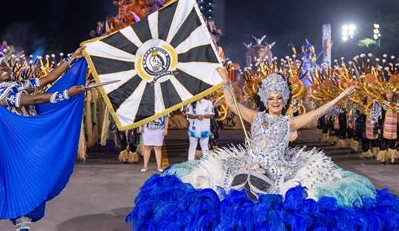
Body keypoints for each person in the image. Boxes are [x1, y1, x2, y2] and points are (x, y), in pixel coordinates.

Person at [127, 68, 399, 230]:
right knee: (225, 190)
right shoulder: (255, 118)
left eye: (279, 98)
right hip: (248, 163)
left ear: (284, 100)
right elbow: (232, 104)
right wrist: (224, 79)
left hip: (278, 168)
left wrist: (340, 97)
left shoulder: (289, 121)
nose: (276, 102)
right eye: (271, 98)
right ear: (265, 100)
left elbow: (317, 112)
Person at [0, 41, 88, 231]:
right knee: (2, 187)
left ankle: (22, 227)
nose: (2, 68)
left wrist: (72, 59)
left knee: (27, 185)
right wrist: (65, 94)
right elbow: (31, 99)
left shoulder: (18, 84)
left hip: (28, 144)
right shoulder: (0, 92)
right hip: (15, 148)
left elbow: (47, 79)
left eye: (3, 64)